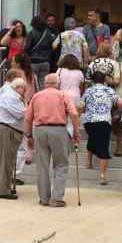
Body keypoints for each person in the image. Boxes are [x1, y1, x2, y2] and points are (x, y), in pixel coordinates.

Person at [24, 73, 80, 207]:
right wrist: (76, 131)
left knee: (42, 166)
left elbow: (27, 118)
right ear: (58, 84)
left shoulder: (36, 96)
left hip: (40, 130)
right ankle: (56, 197)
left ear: (45, 83)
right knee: (61, 164)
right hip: (58, 130)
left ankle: (44, 198)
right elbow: (74, 113)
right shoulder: (63, 95)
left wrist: (29, 136)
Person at [80, 71, 121, 184]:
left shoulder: (88, 91)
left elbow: (81, 105)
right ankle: (102, 175)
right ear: (104, 80)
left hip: (89, 121)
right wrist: (116, 113)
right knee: (103, 146)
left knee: (92, 138)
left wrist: (85, 111)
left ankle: (89, 162)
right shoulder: (109, 90)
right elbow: (120, 103)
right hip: (104, 121)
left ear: (93, 80)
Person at [0, 72, 28, 200]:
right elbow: (20, 113)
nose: (25, 91)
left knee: (9, 161)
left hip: (11, 130)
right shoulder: (11, 96)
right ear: (18, 87)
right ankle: (3, 190)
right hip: (8, 130)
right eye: (24, 88)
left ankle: (6, 187)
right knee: (6, 162)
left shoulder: (13, 96)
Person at [11, 53, 36, 179]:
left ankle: (16, 168)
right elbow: (35, 90)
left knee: (20, 136)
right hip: (30, 105)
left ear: (18, 63)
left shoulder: (16, 75)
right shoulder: (32, 75)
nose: (11, 62)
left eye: (13, 60)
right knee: (28, 133)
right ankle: (29, 155)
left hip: (19, 105)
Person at [25, 16, 54, 91]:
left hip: (33, 62)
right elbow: (52, 46)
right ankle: (42, 99)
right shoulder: (48, 33)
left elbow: (27, 48)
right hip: (45, 62)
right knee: (43, 83)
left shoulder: (31, 34)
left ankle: (35, 100)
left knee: (33, 83)